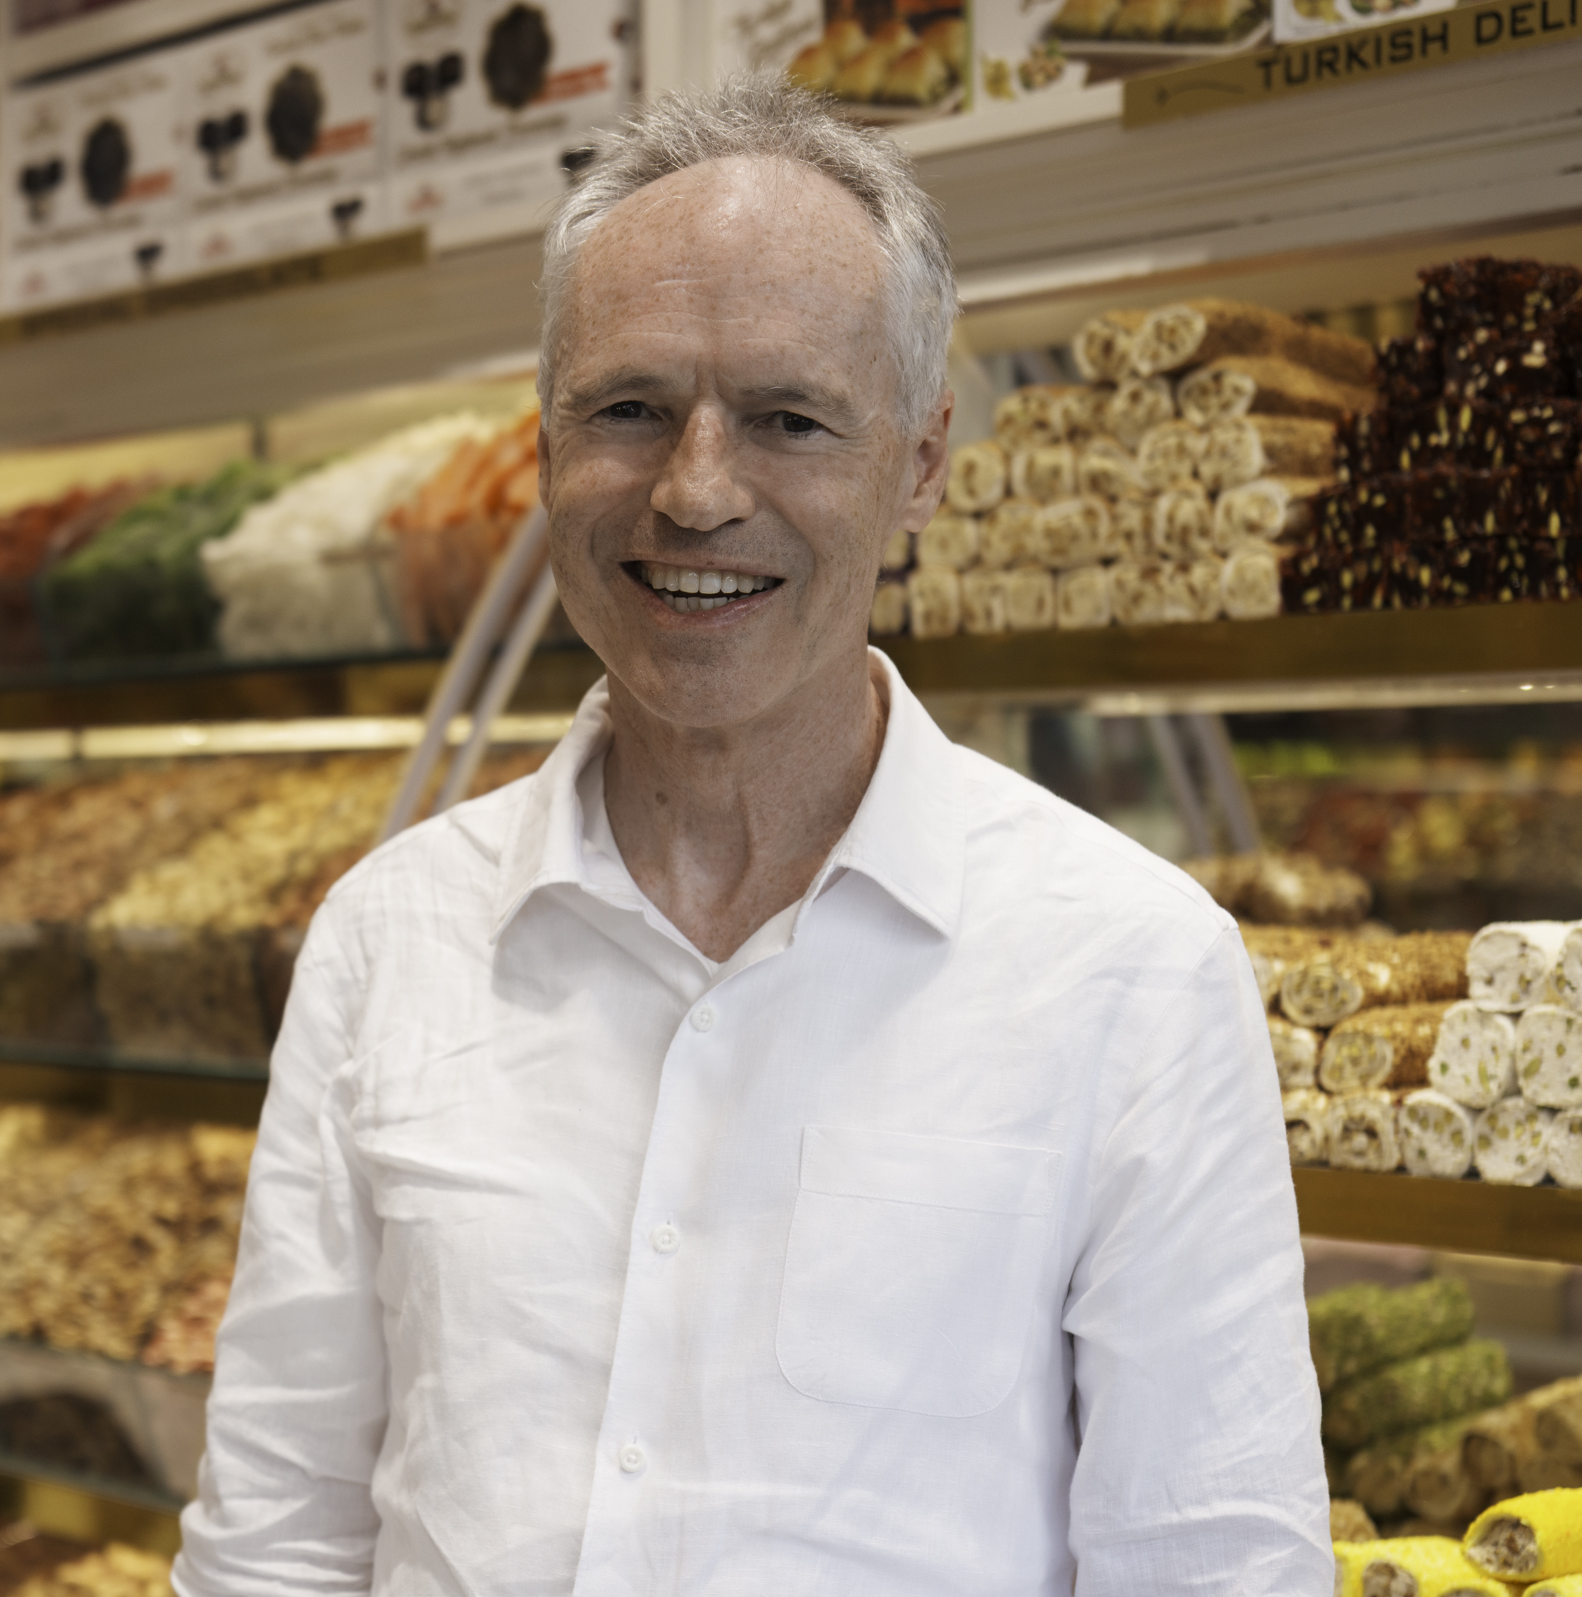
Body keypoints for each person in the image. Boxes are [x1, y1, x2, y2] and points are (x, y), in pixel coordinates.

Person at [173, 76, 1329, 1597]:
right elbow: (279, 1540)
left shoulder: (1134, 966)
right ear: (544, 445)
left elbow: (1216, 1568)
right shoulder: (389, 941)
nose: (696, 490)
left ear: (919, 463)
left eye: (788, 418)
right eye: (629, 411)